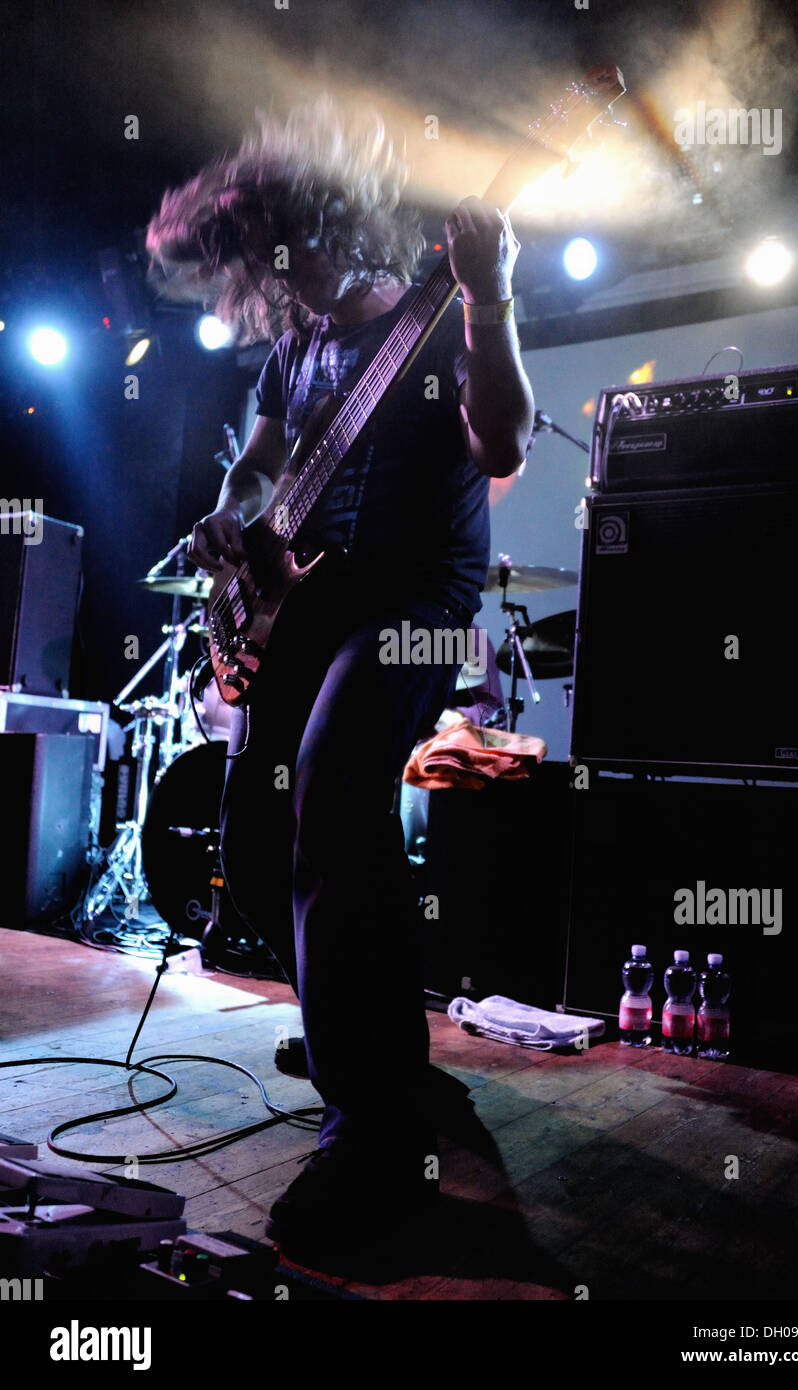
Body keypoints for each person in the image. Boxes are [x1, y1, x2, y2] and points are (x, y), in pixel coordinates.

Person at [146, 97, 533, 1254]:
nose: (268, 288)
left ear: (317, 222)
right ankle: (369, 1040)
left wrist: (489, 293)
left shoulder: (430, 304)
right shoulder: (295, 349)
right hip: (307, 602)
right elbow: (256, 473)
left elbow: (504, 443)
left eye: (275, 255)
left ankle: (372, 1134)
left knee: (332, 787)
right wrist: (226, 523)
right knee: (255, 846)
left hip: (412, 600)